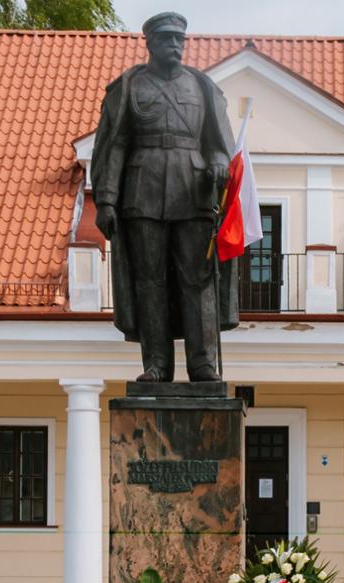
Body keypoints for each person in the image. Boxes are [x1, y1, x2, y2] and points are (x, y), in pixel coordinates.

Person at [90, 10, 240, 383]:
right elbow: (114, 145)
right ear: (150, 43)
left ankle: (202, 363)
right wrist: (106, 200)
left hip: (194, 192)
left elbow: (220, 144)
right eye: (166, 39)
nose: (174, 45)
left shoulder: (203, 87)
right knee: (149, 281)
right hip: (143, 192)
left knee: (198, 279)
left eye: (179, 39)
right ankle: (156, 364)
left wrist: (220, 163)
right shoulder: (128, 87)